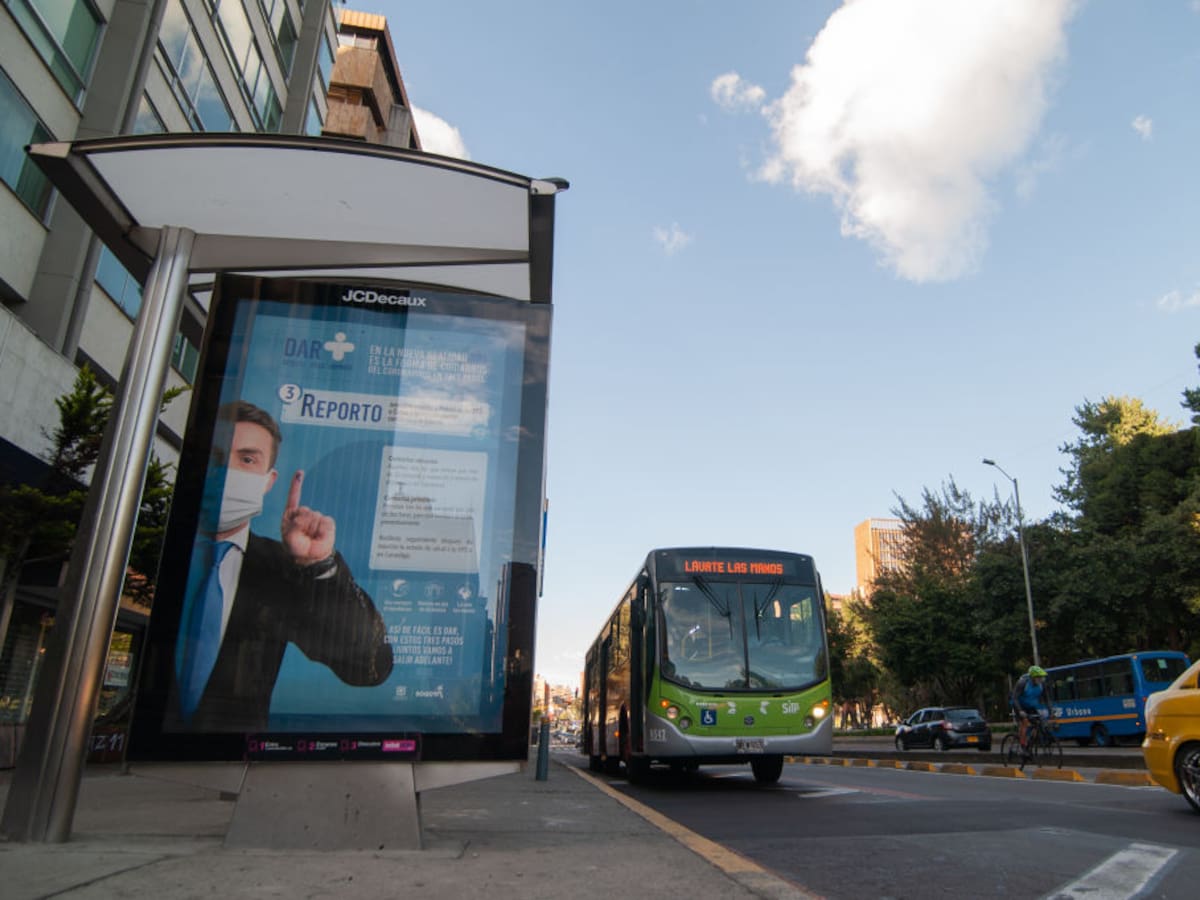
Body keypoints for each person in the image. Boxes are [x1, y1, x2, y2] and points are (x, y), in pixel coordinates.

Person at [171, 400, 393, 732]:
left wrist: (317, 564)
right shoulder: (158, 548)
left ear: (268, 481)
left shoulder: (282, 570)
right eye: (215, 458)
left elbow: (369, 665)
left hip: (228, 760)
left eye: (247, 460)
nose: (227, 471)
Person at [1010, 664, 1051, 755]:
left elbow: (1046, 699)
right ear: (1032, 677)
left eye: (1041, 678)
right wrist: (1020, 711)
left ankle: (1030, 743)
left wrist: (1051, 711)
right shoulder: (1022, 683)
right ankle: (1022, 746)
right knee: (1024, 722)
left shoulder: (1041, 685)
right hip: (1019, 706)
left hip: (1030, 707)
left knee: (1038, 723)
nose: (1041, 680)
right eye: (1038, 678)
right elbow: (1015, 698)